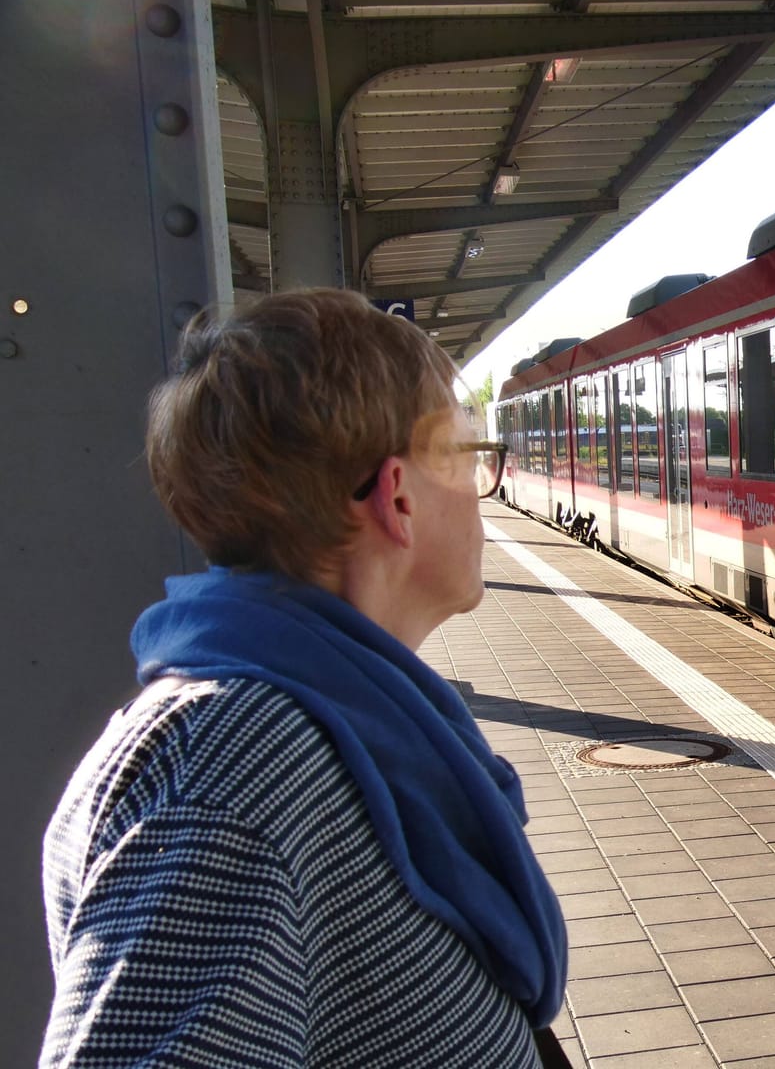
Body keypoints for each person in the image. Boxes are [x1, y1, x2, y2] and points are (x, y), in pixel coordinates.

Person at [40, 290, 567, 1067]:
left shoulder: (331, 720)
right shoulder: (227, 770)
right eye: (463, 454)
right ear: (398, 499)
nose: (483, 490)